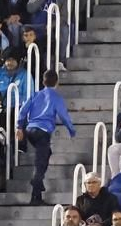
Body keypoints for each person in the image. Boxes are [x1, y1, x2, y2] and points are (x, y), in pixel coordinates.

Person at [16, 70, 77, 204]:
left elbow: (22, 110)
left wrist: (19, 126)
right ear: (57, 82)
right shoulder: (56, 98)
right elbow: (64, 116)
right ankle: (35, 190)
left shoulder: (35, 94)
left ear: (43, 82)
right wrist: (72, 131)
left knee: (45, 154)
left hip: (30, 130)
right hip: (43, 132)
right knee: (40, 163)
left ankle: (38, 184)